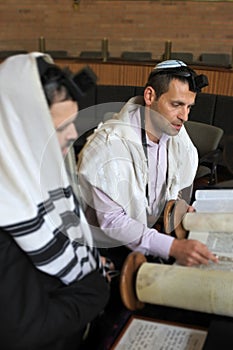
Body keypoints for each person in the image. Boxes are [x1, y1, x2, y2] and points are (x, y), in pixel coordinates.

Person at [0, 52, 109, 350]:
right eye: (59, 128)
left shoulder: (37, 171)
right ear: (17, 133)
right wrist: (96, 289)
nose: (73, 135)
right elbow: (22, 331)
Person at [77, 59, 218, 270]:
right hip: (104, 250)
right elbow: (113, 222)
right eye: (177, 104)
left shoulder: (176, 133)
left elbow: (174, 186)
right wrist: (171, 247)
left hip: (149, 235)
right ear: (150, 96)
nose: (184, 116)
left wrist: (178, 209)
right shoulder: (107, 146)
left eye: (189, 107)